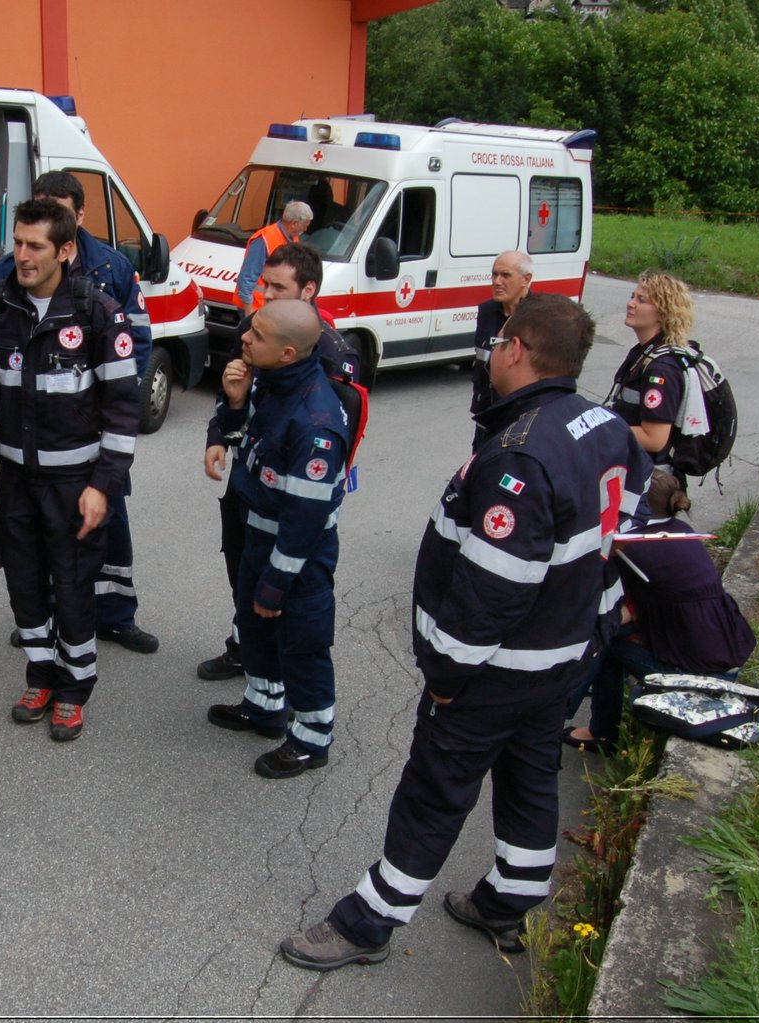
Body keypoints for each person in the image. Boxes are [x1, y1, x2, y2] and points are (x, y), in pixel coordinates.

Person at [279, 293, 652, 970]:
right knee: (531, 776)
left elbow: (492, 590)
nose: (491, 353)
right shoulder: (605, 424)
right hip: (563, 659)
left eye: (498, 342)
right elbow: (621, 533)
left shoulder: (522, 455)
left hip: (496, 670)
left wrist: (447, 676)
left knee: (434, 791)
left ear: (516, 349)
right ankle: (507, 903)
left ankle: (369, 922)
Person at [0, 199, 140, 743]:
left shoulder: (99, 314)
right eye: (17, 242)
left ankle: (74, 688)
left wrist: (103, 486)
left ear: (65, 249)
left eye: (35, 245)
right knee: (24, 583)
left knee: (74, 583)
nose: (22, 255)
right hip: (17, 480)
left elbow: (123, 409)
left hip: (74, 485)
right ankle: (40, 676)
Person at [0, 171, 158, 654]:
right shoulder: (6, 272)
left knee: (108, 520)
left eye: (58, 209)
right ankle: (43, 619)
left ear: (78, 217)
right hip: (38, 436)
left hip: (93, 433)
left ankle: (116, 616)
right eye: (40, 207)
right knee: (35, 534)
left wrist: (106, 397)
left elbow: (136, 338)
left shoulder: (112, 266)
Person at [198, 243, 358, 682]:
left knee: (284, 585)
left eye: (277, 286)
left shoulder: (329, 350)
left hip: (293, 491)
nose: (265, 294)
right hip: (249, 477)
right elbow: (235, 386)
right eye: (264, 283)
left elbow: (333, 436)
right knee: (243, 565)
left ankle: (286, 685)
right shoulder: (255, 327)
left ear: (307, 290)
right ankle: (246, 649)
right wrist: (221, 433)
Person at [204, 297, 349, 778]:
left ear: (288, 353)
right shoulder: (272, 383)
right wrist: (237, 401)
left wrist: (276, 582)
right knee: (257, 628)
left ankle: (312, 737)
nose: (244, 336)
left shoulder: (316, 423)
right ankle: (264, 706)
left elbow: (305, 521)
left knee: (301, 642)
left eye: (258, 334)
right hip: (258, 535)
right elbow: (245, 440)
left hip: (296, 555)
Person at [564, 470, 756, 754]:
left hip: (702, 671)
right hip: (728, 649)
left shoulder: (635, 549)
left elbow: (617, 614)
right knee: (613, 633)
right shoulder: (684, 533)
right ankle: (580, 721)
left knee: (606, 640)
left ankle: (587, 725)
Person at [607, 269, 694, 468]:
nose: (631, 304)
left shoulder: (662, 369)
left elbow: (655, 439)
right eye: (632, 297)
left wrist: (603, 428)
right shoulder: (643, 352)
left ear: (663, 312)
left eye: (641, 300)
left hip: (650, 478)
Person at [470, 251, 534, 448]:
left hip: (518, 421)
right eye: (494, 274)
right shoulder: (487, 311)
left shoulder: (539, 316)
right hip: (486, 416)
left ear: (526, 279)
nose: (497, 281)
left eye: (505, 275)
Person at [235, 201, 312, 316]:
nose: (306, 229)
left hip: (272, 307)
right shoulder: (264, 240)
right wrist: (249, 312)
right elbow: (246, 278)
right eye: (305, 225)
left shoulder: (293, 239)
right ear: (294, 223)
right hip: (257, 308)